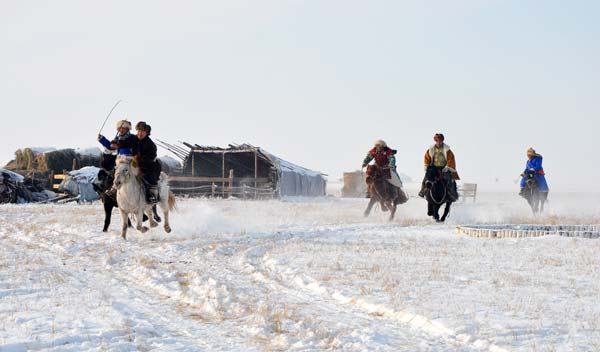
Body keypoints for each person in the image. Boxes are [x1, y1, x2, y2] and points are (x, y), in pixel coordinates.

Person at [115, 121, 162, 203]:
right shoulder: (134, 139)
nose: (140, 133)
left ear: (147, 133)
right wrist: (117, 143)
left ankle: (152, 196)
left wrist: (138, 159)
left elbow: (150, 158)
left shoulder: (151, 145)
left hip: (148, 166)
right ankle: (115, 190)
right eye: (139, 131)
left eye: (143, 132)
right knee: (121, 172)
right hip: (135, 164)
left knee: (151, 179)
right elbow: (125, 143)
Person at [418, 133, 460, 200]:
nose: (439, 142)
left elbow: (450, 159)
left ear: (442, 141)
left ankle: (450, 193)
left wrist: (447, 167)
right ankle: (422, 191)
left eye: (440, 141)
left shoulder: (447, 150)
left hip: (444, 168)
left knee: (449, 179)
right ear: (435, 141)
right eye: (437, 141)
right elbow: (427, 158)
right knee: (426, 178)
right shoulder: (431, 149)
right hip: (434, 168)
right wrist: (427, 166)